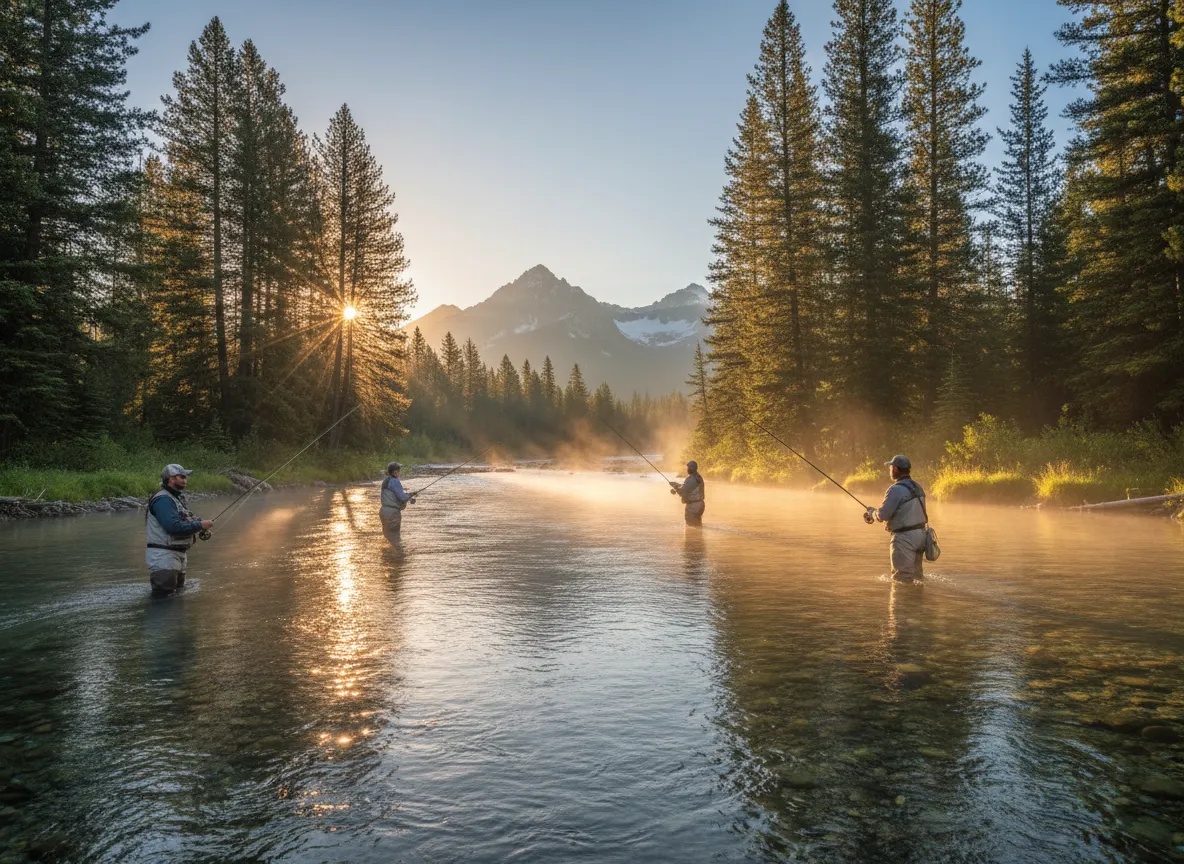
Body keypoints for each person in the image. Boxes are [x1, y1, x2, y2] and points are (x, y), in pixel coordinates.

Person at [145, 464, 213, 596]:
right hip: (164, 557)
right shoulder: (163, 500)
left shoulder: (174, 498)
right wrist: (200, 525)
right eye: (181, 477)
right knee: (163, 600)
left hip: (176, 555)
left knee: (175, 598)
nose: (185, 480)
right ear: (171, 479)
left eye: (186, 477)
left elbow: (184, 520)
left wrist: (199, 523)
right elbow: (173, 527)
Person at [863, 454, 927, 582]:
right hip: (921, 536)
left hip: (904, 539)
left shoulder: (895, 490)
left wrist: (872, 513)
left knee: (901, 579)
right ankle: (918, 600)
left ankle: (902, 601)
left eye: (891, 467)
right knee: (917, 577)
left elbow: (883, 515)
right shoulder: (918, 487)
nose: (890, 470)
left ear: (896, 469)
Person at [380, 461, 414, 535]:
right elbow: (402, 497)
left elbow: (395, 494)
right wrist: (409, 496)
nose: (398, 473)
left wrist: (409, 495)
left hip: (384, 511)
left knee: (388, 535)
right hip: (392, 513)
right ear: (395, 471)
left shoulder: (386, 480)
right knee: (395, 537)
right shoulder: (394, 481)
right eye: (398, 471)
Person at [670, 460, 706, 526]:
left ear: (691, 468)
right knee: (697, 526)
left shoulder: (691, 479)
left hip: (693, 506)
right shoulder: (698, 476)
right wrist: (678, 485)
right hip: (699, 505)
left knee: (691, 526)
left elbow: (683, 493)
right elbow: (690, 487)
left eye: (688, 467)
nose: (687, 469)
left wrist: (675, 488)